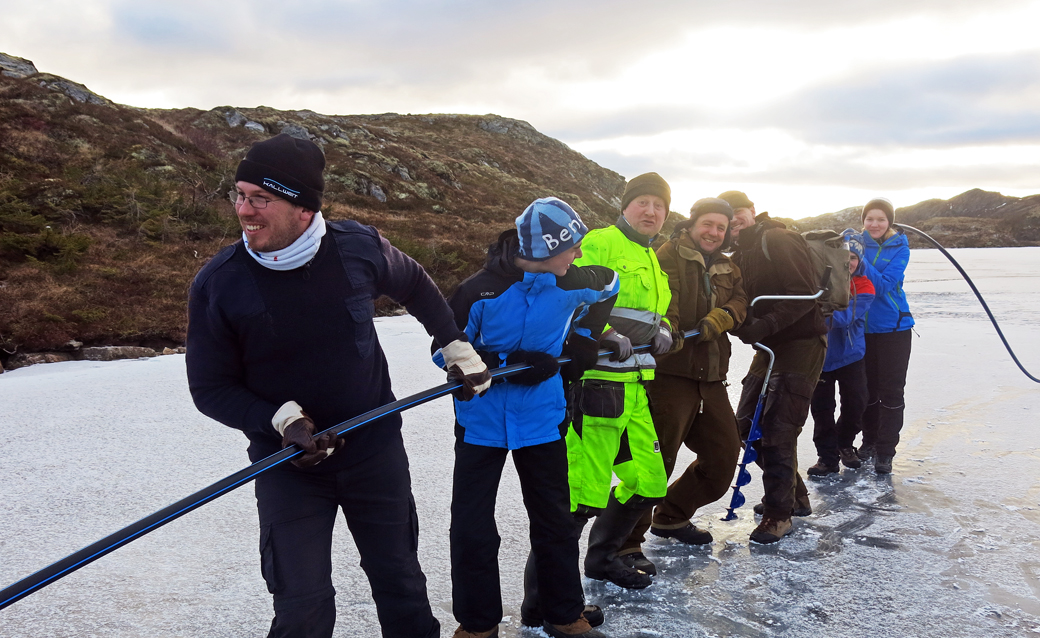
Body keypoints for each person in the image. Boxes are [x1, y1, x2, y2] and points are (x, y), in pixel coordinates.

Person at [185, 134, 492, 638]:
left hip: (373, 451)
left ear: (303, 207)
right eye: (239, 195)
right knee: (301, 603)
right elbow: (209, 388)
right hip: (287, 463)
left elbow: (413, 282)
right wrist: (281, 419)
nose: (244, 210)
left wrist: (452, 343)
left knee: (401, 584)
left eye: (260, 198)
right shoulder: (220, 283)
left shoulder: (358, 248)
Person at [439, 197, 618, 638]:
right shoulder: (479, 290)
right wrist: (504, 360)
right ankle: (478, 624)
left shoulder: (574, 281)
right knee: (472, 527)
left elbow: (610, 285)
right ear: (542, 249)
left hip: (542, 418)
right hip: (480, 424)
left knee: (555, 521)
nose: (579, 254)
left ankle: (563, 614)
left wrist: (583, 338)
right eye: (572, 246)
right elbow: (442, 351)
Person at [618, 197, 748, 574]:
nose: (713, 232)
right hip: (669, 375)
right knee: (655, 462)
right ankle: (625, 543)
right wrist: (671, 327)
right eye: (708, 224)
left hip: (711, 376)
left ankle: (671, 515)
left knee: (724, 456)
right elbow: (660, 300)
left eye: (721, 227)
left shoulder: (728, 266)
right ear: (692, 224)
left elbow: (740, 301)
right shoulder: (667, 255)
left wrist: (721, 318)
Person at [566, 172, 675, 588]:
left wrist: (662, 327)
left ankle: (601, 560)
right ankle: (546, 600)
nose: (651, 211)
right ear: (625, 206)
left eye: (659, 205)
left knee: (648, 483)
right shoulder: (600, 242)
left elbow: (647, 312)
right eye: (643, 202)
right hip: (596, 390)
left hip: (635, 391)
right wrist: (603, 333)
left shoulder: (651, 256)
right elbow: (569, 294)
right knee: (581, 498)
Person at [720, 190, 828, 544]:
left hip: (802, 343)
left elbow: (805, 292)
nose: (734, 220)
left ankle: (779, 515)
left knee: (779, 428)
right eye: (728, 216)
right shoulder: (737, 255)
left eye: (739, 212)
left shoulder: (778, 239)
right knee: (746, 424)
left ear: (751, 211)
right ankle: (794, 496)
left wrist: (765, 325)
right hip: (769, 348)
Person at [807, 237, 875, 475]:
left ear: (860, 259)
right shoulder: (816, 282)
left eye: (854, 257)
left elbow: (845, 318)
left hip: (851, 356)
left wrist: (814, 314)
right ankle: (827, 458)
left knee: (856, 404)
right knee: (821, 409)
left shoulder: (864, 286)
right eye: (845, 257)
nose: (849, 262)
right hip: (821, 357)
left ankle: (844, 443)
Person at [856, 197, 915, 474]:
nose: (874, 224)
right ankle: (868, 442)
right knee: (866, 390)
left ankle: (885, 451)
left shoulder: (900, 249)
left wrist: (857, 257)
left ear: (889, 221)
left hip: (894, 329)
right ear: (863, 221)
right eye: (869, 219)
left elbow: (881, 286)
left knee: (891, 392)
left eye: (880, 219)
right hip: (860, 328)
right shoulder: (855, 244)